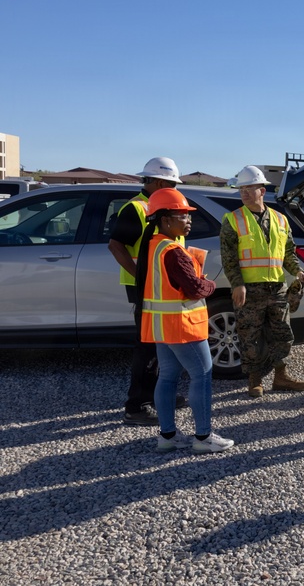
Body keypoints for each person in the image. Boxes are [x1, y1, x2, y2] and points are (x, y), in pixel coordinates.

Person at [136, 188, 233, 453]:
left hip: (162, 326)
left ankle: (168, 436)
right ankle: (203, 438)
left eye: (188, 216)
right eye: (183, 216)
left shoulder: (154, 245)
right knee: (202, 375)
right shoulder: (174, 252)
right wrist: (209, 285)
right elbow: (194, 289)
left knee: (167, 377)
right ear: (165, 219)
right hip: (182, 326)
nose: (189, 220)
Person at [108, 156, 186, 426]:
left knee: (164, 344)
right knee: (147, 348)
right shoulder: (136, 209)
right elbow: (116, 246)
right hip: (145, 290)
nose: (175, 188)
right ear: (157, 181)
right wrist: (140, 277)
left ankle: (157, 394)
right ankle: (137, 406)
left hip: (164, 289)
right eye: (171, 183)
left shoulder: (167, 207)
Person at [220, 165, 304, 398]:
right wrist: (237, 284)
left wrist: (297, 271)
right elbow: (229, 258)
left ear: (262, 190)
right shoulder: (233, 219)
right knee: (250, 335)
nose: (245, 193)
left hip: (277, 287)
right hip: (249, 290)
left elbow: (288, 252)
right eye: (242, 188)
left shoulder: (281, 219)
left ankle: (281, 377)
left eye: (250, 188)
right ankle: (255, 379)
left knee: (282, 333)